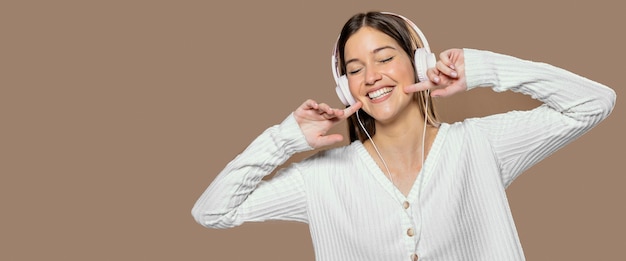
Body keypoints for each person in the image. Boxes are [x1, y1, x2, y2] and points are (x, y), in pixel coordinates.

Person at [191, 11, 616, 261]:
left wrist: (484, 69)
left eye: (384, 58)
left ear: (418, 63)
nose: (371, 76)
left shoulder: (479, 145)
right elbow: (213, 212)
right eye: (354, 69)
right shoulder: (320, 179)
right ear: (345, 88)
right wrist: (284, 140)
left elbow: (593, 103)